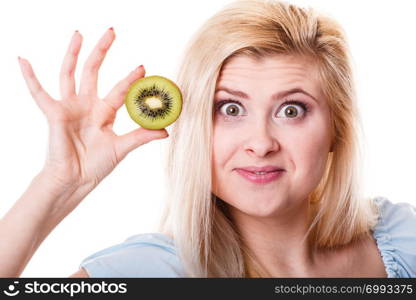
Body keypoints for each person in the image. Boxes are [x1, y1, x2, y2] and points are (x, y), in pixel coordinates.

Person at [1, 0, 415, 278]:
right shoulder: (147, 271)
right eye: (230, 109)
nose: (260, 143)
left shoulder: (400, 237)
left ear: (335, 130)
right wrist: (59, 184)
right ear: (195, 125)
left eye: (292, 110)